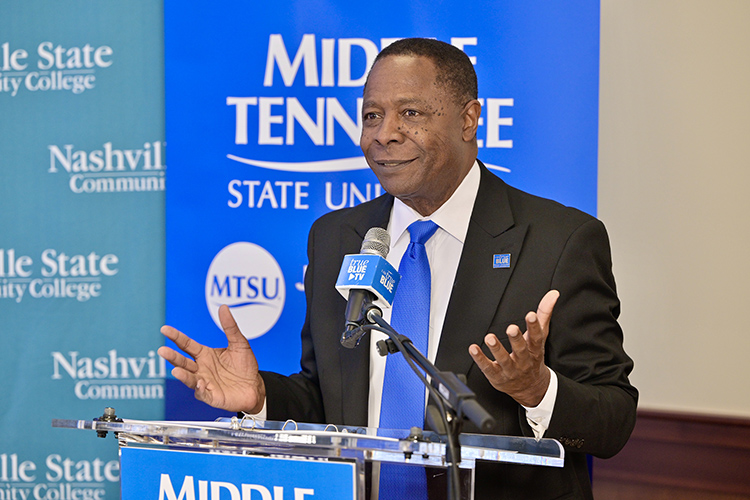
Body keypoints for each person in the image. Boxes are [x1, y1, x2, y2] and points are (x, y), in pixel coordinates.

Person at [159, 38, 637, 500]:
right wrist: (261, 398)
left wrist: (537, 390)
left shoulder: (559, 240)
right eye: (372, 115)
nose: (383, 133)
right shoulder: (336, 238)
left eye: (410, 113)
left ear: (469, 120)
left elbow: (613, 418)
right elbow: (332, 401)